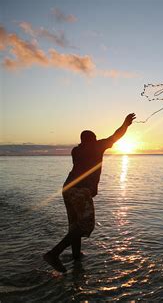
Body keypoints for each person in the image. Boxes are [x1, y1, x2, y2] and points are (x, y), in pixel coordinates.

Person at [43, 113, 136, 272]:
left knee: (74, 225)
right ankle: (54, 254)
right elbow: (115, 136)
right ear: (93, 139)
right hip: (80, 190)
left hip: (67, 188)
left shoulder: (76, 150)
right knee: (86, 225)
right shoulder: (96, 146)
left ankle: (76, 256)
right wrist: (126, 124)